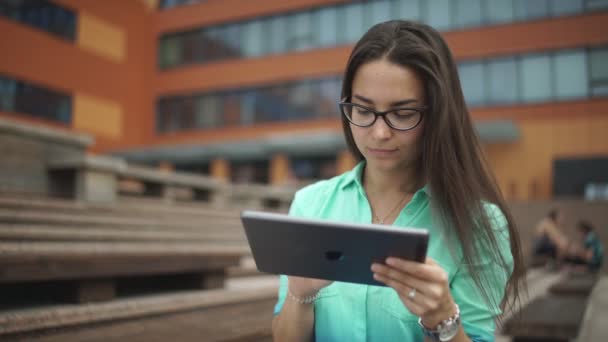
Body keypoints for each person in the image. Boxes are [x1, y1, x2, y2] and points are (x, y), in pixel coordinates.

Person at [271, 20, 524, 342]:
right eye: (363, 109)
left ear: (438, 115)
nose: (379, 132)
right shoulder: (311, 204)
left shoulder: (480, 223)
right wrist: (300, 292)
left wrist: (443, 319)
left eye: (402, 114)